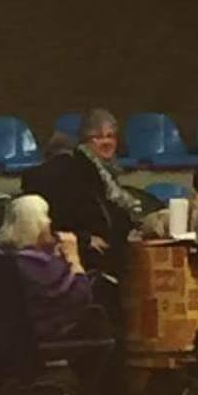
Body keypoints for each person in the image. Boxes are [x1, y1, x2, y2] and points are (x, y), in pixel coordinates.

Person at [0, 194, 142, 395]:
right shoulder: (34, 263)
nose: (51, 223)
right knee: (104, 327)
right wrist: (73, 257)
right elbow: (79, 296)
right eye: (47, 219)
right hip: (44, 335)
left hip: (19, 330)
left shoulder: (3, 256)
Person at [22, 108, 146, 280]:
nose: (106, 142)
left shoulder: (106, 171)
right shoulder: (76, 169)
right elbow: (60, 214)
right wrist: (84, 239)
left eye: (110, 136)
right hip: (85, 257)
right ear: (86, 141)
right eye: (98, 137)